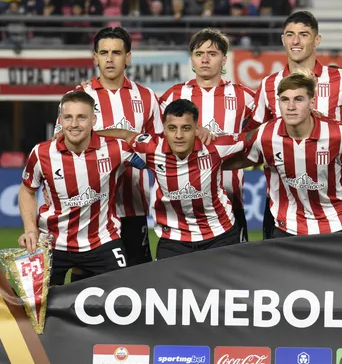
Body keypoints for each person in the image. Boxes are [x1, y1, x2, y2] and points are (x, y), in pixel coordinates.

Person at [54, 26, 162, 269]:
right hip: (87, 212)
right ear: (95, 57)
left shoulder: (146, 97)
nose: (110, 58)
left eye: (116, 52)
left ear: (128, 57)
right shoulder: (77, 97)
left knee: (136, 277)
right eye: (104, 52)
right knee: (88, 283)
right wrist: (121, 139)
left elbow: (159, 148)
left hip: (133, 206)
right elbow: (59, 144)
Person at [247, 10, 342, 238]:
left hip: (334, 204)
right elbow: (252, 136)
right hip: (283, 205)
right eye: (290, 34)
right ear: (282, 39)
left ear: (317, 40)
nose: (295, 41)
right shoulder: (269, 84)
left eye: (304, 34)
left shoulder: (341, 80)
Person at [19, 91, 145, 285]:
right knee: (40, 307)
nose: (74, 124)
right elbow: (27, 190)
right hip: (53, 243)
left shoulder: (117, 149)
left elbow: (157, 158)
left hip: (102, 241)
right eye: (68, 117)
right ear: (60, 120)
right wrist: (29, 230)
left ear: (93, 120)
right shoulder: (41, 153)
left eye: (81, 117)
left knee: (122, 299)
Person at [230, 73, 342, 237]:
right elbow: (240, 160)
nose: (291, 106)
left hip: (338, 225)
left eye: (298, 99)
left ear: (312, 103)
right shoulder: (265, 135)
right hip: (288, 227)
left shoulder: (338, 134)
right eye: (285, 99)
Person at [98, 99, 247, 259]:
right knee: (165, 284)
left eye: (186, 128)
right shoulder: (151, 148)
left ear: (197, 128)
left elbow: (255, 138)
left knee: (224, 284)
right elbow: (125, 135)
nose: (179, 135)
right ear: (164, 129)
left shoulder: (215, 145)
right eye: (172, 128)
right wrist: (86, 136)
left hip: (219, 234)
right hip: (173, 239)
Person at [158, 29, 254, 240]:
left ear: (224, 59)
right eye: (199, 53)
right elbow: (155, 138)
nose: (205, 59)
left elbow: (268, 127)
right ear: (192, 59)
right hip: (184, 202)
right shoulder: (173, 95)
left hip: (231, 198)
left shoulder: (243, 95)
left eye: (212, 53)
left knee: (231, 269)